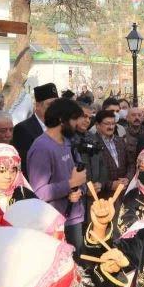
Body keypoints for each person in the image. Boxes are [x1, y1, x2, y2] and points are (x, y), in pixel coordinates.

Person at [26, 98, 88, 256]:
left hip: (75, 218)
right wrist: (70, 184)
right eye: (73, 119)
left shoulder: (69, 142)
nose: (77, 124)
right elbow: (39, 193)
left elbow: (80, 174)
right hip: (54, 224)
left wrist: (79, 189)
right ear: (61, 120)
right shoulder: (41, 148)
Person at [12, 82, 58, 175]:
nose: (54, 108)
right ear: (37, 106)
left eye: (56, 104)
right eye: (49, 104)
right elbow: (25, 165)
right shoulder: (23, 129)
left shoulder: (59, 127)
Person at [95, 110, 134, 199]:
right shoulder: (92, 144)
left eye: (113, 123)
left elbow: (131, 163)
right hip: (103, 196)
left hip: (124, 192)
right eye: (107, 124)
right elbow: (91, 175)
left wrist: (127, 178)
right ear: (97, 125)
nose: (111, 127)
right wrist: (110, 185)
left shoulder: (120, 141)